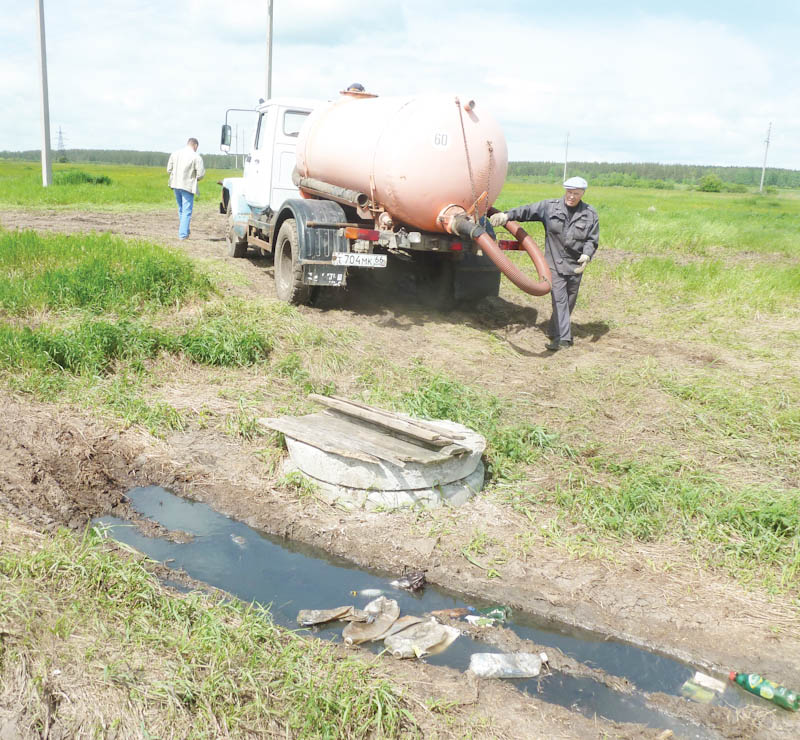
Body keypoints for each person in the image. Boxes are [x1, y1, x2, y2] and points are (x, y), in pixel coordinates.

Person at [490, 176, 599, 351]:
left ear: (582, 194)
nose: (571, 196)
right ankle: (563, 339)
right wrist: (506, 215)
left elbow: (591, 240)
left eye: (576, 194)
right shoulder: (550, 207)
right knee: (559, 300)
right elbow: (527, 211)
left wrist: (587, 255)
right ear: (565, 191)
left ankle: (554, 330)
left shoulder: (589, 214)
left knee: (569, 302)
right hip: (554, 264)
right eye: (569, 192)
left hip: (575, 266)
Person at [167, 138, 205, 240]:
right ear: (195, 146)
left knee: (181, 209)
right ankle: (183, 235)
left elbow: (168, 170)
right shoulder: (196, 157)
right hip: (187, 186)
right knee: (187, 211)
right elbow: (201, 174)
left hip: (175, 184)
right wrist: (195, 178)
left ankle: (185, 231)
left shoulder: (175, 154)